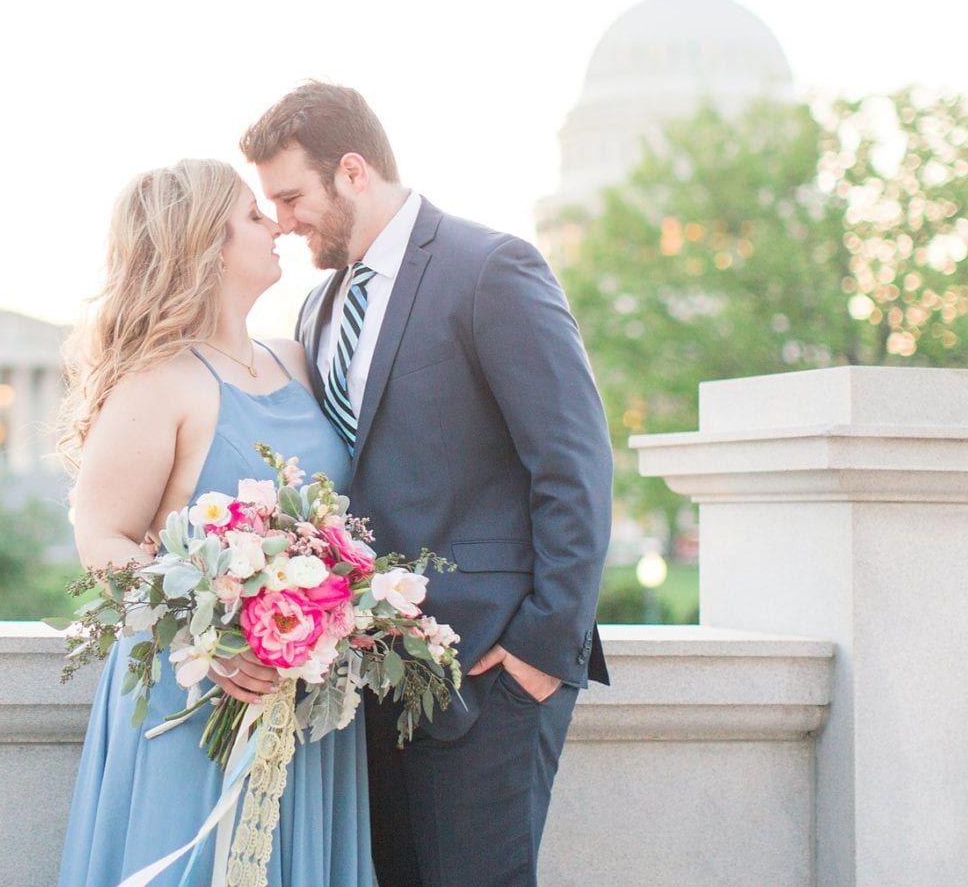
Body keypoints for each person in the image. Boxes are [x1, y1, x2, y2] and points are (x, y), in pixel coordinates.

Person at [241, 82, 612, 887]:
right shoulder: (317, 309)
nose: (282, 221)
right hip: (367, 683)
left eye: (291, 196)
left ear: (351, 170)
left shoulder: (491, 268)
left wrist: (540, 652)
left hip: (490, 673)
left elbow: (574, 464)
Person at [55, 158, 374, 887]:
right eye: (253, 217)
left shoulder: (294, 359)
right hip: (199, 695)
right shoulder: (157, 380)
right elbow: (100, 539)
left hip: (305, 700)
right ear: (206, 244)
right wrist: (216, 631)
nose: (277, 225)